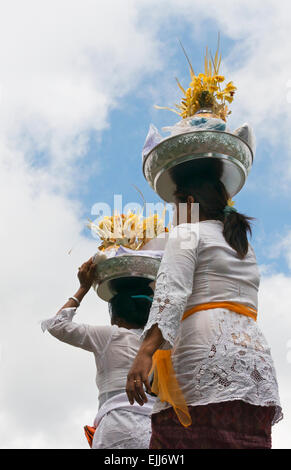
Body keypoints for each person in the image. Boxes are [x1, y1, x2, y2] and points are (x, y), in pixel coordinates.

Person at [126, 174, 283, 449]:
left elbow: (172, 293)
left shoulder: (186, 233)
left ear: (189, 203)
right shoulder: (243, 246)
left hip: (203, 357)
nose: (174, 215)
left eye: (175, 207)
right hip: (255, 366)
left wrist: (145, 352)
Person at [41, 257, 156, 449]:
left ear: (116, 317)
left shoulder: (112, 335)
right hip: (156, 432)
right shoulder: (162, 343)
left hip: (118, 427)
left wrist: (83, 288)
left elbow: (56, 325)